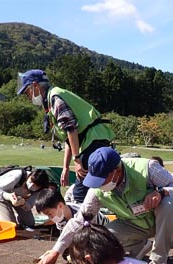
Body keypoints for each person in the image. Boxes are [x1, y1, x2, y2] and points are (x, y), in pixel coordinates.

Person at [36, 147, 173, 264]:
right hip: (132, 224)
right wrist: (55, 251)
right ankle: (140, 246)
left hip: (160, 218)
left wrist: (161, 192)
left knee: (168, 204)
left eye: (102, 179)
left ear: (117, 171)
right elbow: (79, 220)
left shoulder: (147, 168)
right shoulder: (96, 191)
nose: (99, 184)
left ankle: (159, 263)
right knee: (101, 241)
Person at [17, 69, 115, 203]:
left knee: (81, 193)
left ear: (35, 86)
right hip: (90, 141)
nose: (27, 96)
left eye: (27, 91)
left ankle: (87, 221)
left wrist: (77, 160)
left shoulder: (55, 98)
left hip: (93, 141)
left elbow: (71, 129)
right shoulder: (52, 99)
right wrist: (66, 167)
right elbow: (68, 138)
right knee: (86, 191)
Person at [34, 186, 108, 232]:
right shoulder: (60, 220)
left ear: (60, 206)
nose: (50, 218)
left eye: (49, 214)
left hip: (104, 229)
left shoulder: (82, 213)